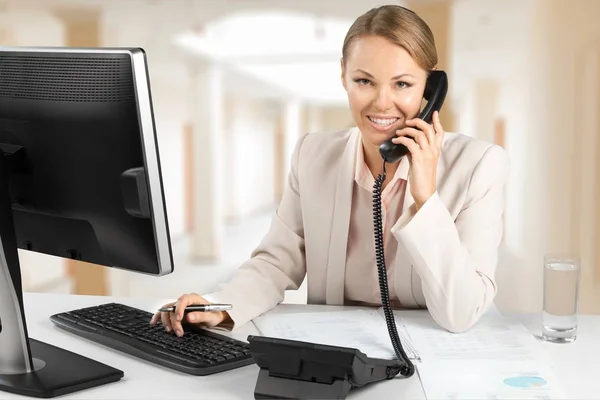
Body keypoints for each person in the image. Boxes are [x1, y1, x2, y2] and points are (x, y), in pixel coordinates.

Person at [150, 4, 509, 336]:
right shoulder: (313, 155)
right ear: (344, 77)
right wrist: (219, 306)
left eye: (402, 84)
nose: (382, 102)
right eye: (364, 81)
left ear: (430, 88)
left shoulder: (478, 166)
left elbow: (463, 312)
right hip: (334, 354)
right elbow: (277, 262)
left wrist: (426, 198)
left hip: (432, 360)